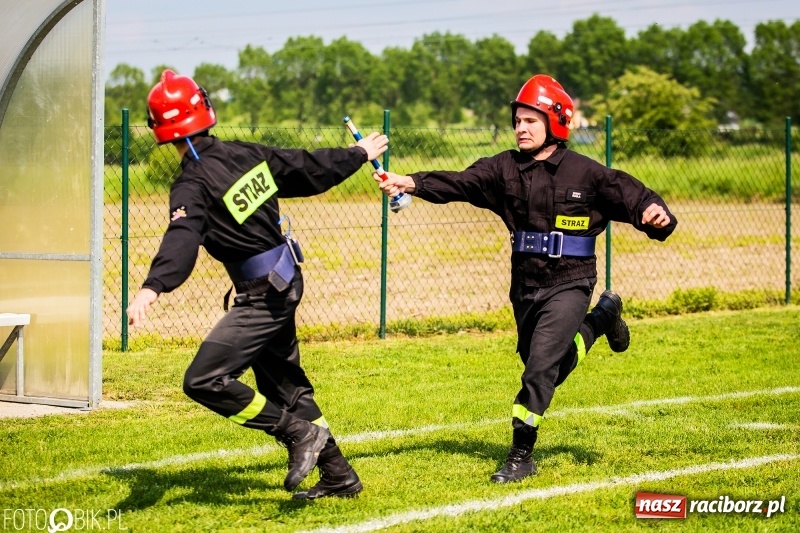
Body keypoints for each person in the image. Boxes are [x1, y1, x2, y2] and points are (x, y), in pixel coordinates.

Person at [374, 74, 678, 483]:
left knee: (538, 370)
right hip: (524, 285)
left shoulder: (585, 172)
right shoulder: (503, 168)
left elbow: (633, 195)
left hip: (571, 281)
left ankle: (521, 454)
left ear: (555, 122)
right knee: (550, 366)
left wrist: (655, 215)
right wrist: (409, 181)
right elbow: (461, 182)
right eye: (517, 120)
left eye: (530, 120)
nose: (520, 127)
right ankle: (603, 319)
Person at [126, 69, 388, 499]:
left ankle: (296, 433)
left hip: (263, 295)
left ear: (160, 129)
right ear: (205, 109)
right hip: (282, 280)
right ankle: (340, 476)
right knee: (284, 387)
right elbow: (306, 168)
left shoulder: (191, 183)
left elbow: (182, 236)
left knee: (203, 380)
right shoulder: (245, 154)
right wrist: (355, 154)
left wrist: (152, 287)